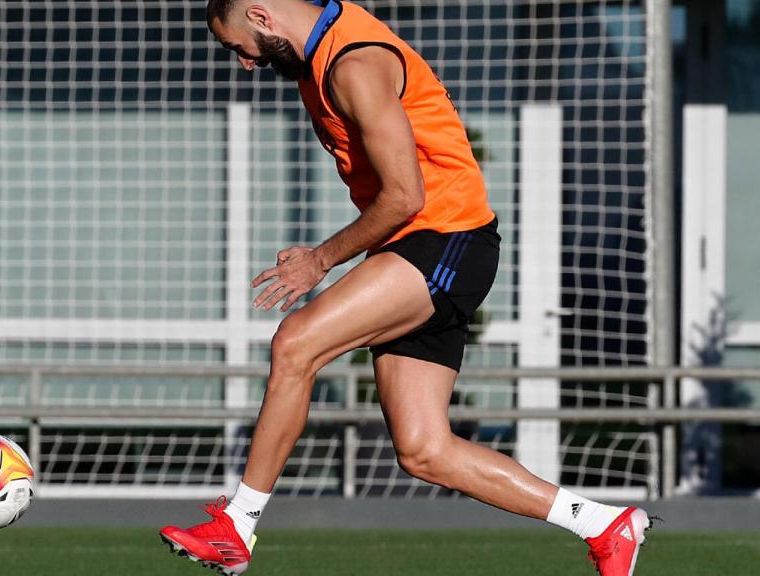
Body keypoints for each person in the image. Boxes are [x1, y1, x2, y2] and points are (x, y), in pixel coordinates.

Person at [160, 1, 652, 575]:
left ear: (262, 16)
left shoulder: (353, 64)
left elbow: (404, 197)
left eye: (237, 46)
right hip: (422, 247)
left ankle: (237, 525)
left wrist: (319, 261)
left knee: (296, 343)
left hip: (444, 241)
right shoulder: (317, 61)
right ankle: (602, 525)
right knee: (423, 450)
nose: (243, 64)